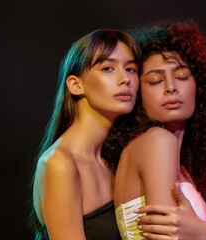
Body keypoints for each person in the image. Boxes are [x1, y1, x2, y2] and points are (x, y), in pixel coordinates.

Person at [103, 20, 206, 240]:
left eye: (181, 76)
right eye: (155, 80)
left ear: (201, 85)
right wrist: (204, 234)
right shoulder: (157, 141)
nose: (171, 87)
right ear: (138, 93)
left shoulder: (181, 170)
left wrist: (205, 233)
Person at [30, 29, 142, 240]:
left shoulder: (117, 158)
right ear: (76, 85)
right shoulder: (59, 164)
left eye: (131, 69)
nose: (125, 78)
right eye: (108, 68)